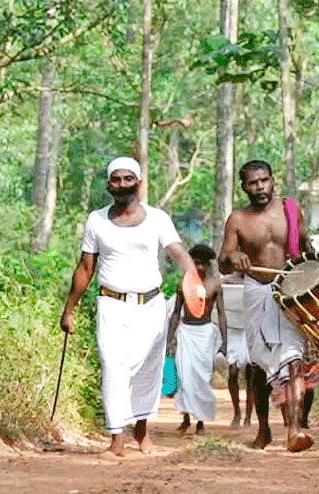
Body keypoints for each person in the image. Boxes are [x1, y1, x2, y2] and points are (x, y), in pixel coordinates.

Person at [59, 157, 197, 457]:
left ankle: (143, 435)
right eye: (116, 180)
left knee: (149, 369)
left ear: (139, 182)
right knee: (113, 366)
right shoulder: (96, 220)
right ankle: (116, 438)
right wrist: (69, 310)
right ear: (109, 184)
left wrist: (193, 281)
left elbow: (178, 252)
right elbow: (85, 267)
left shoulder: (158, 218)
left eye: (128, 179)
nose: (122, 185)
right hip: (112, 303)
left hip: (151, 305)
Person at [218, 159, 319, 452]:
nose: (259, 187)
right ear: (243, 187)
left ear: (273, 180)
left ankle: (295, 430)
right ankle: (263, 431)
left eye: (264, 180)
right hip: (256, 291)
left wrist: (315, 269)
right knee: (260, 365)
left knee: (295, 358)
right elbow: (223, 262)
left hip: (290, 291)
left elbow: (306, 247)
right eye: (253, 182)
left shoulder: (291, 210)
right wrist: (233, 258)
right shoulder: (237, 220)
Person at [166, 244, 227, 435]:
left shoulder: (215, 285)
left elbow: (222, 314)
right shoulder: (183, 284)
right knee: (185, 377)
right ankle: (185, 419)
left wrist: (225, 342)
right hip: (186, 333)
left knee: (202, 378)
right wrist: (169, 340)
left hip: (205, 334)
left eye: (203, 264)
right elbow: (175, 313)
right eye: (196, 263)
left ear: (209, 265)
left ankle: (200, 422)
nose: (199, 268)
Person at [217, 272, 257, 430]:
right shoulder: (226, 280)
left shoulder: (256, 279)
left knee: (251, 374)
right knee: (233, 372)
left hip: (250, 329)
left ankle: (248, 416)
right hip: (232, 329)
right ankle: (237, 413)